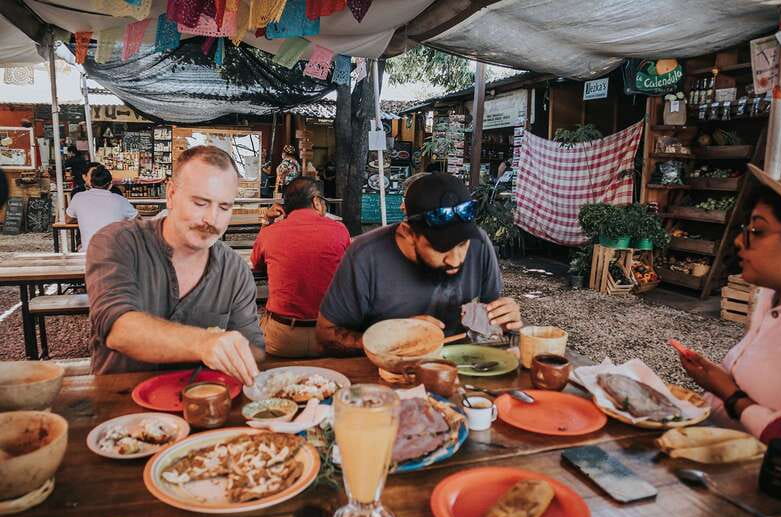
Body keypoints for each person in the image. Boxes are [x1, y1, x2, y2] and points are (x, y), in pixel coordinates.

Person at [85, 146, 265, 385]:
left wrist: (240, 351)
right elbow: (119, 327)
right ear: (171, 194)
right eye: (200, 203)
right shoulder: (118, 242)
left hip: (206, 405)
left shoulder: (235, 269)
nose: (212, 220)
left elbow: (255, 349)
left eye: (224, 207)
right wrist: (205, 342)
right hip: (122, 408)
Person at [316, 172, 522, 356]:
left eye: (462, 243)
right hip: (387, 372)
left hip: (460, 365)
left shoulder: (480, 243)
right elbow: (326, 335)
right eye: (440, 247)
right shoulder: (365, 255)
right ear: (407, 233)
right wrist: (388, 338)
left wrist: (502, 321)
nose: (456, 259)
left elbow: (488, 322)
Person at [677, 162, 781, 443]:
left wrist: (733, 397)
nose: (738, 241)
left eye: (757, 231)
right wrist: (717, 380)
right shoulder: (770, 297)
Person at [251, 177, 350, 357]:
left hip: (282, 339)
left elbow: (257, 265)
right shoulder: (339, 230)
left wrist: (267, 222)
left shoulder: (269, 233)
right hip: (327, 338)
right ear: (316, 201)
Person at [66, 165, 138, 252]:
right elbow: (138, 220)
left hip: (88, 254)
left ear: (91, 183)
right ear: (110, 185)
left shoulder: (78, 197)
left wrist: (84, 217)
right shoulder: (120, 200)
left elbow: (68, 220)